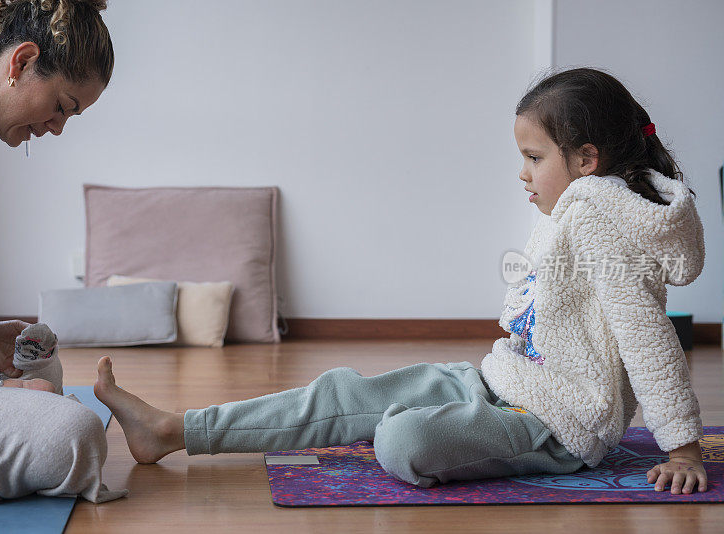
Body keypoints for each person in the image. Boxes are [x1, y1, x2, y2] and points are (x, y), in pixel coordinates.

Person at [95, 66, 710, 496]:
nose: (521, 173)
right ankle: (173, 431)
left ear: (587, 159)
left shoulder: (606, 229)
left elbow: (648, 340)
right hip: (503, 382)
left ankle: (189, 431)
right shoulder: (575, 209)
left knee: (401, 439)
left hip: (558, 426)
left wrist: (680, 446)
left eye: (534, 158)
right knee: (345, 394)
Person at [0, 0, 126, 504]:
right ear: (22, 61)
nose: (58, 127)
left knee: (34, 360)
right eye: (62, 106)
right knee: (72, 436)